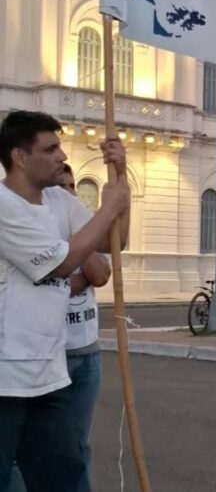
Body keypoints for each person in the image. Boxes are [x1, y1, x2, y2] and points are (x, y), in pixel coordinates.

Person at [0, 110, 130, 492]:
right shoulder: (3, 206)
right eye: (50, 149)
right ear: (20, 157)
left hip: (49, 375)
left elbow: (113, 241)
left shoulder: (59, 200)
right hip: (6, 380)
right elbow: (61, 263)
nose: (63, 156)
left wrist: (121, 177)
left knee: (65, 479)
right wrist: (109, 206)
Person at [60, 164, 112, 492]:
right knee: (43, 447)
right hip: (53, 353)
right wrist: (79, 279)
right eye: (61, 187)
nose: (69, 194)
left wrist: (79, 236)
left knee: (78, 446)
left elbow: (102, 274)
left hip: (86, 351)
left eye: (72, 187)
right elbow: (51, 287)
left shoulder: (81, 229)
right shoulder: (35, 230)